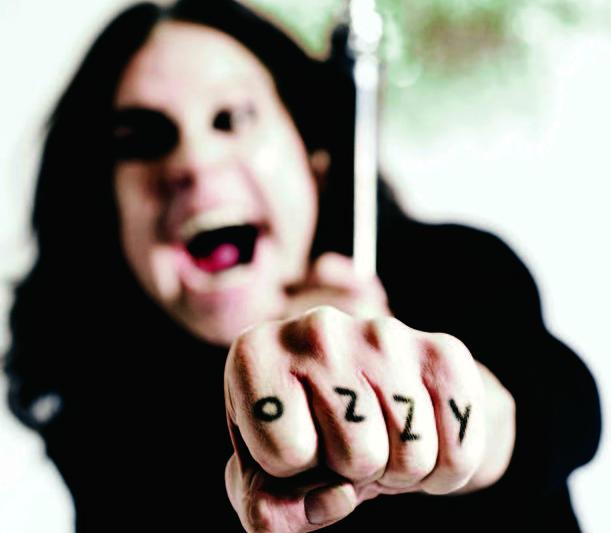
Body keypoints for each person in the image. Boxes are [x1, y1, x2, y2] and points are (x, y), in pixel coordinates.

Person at [3, 0, 601, 531]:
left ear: (313, 155)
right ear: (101, 208)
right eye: (141, 139)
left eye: (232, 118)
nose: (192, 163)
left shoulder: (461, 270)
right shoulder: (98, 401)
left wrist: (444, 411)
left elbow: (560, 410)